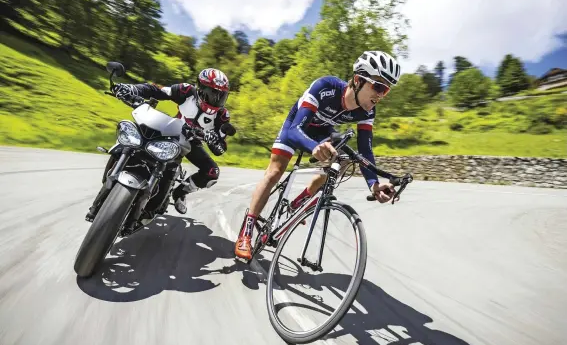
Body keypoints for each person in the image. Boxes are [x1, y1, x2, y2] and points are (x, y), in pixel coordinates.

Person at [234, 50, 402, 260]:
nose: (380, 94)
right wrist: (313, 146)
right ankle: (247, 230)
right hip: (296, 127)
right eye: (378, 86)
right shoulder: (326, 87)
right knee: (275, 171)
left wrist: (374, 185)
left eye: (385, 90)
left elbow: (365, 150)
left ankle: (299, 203)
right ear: (358, 80)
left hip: (323, 132)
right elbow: (296, 129)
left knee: (343, 160)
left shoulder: (368, 111)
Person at [110, 68, 233, 215]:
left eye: (221, 95)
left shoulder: (222, 115)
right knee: (135, 139)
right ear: (200, 89)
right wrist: (131, 89)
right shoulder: (187, 91)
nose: (216, 99)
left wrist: (214, 140)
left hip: (192, 143)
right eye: (213, 93)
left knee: (212, 172)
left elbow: (220, 148)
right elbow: (156, 90)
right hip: (171, 130)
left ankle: (180, 193)